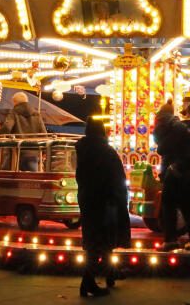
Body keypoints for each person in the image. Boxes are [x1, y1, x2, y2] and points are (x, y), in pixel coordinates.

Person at [75, 118, 131, 296]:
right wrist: (119, 198)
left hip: (87, 199)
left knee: (95, 239)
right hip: (105, 201)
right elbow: (117, 178)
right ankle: (88, 281)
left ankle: (109, 273)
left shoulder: (83, 150)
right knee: (103, 240)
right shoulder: (106, 152)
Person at [152, 101, 190, 252]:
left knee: (168, 204)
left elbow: (163, 146)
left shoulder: (165, 121)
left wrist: (163, 147)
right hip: (186, 168)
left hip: (175, 169)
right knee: (187, 206)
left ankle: (170, 240)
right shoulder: (175, 122)